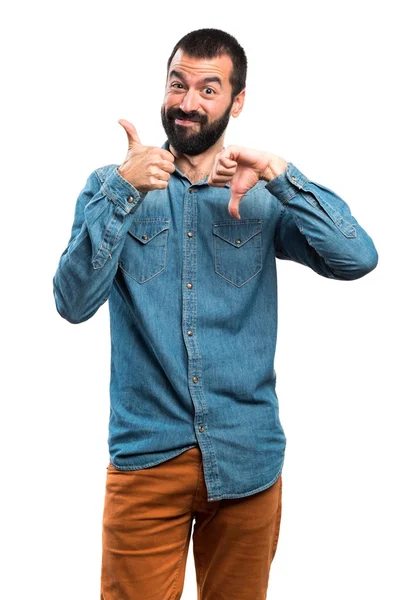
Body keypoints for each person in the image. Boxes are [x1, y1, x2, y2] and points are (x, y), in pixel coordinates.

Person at [53, 27, 378, 600]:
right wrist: (124, 194)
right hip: (147, 458)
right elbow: (72, 302)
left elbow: (357, 258)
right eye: (178, 84)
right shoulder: (113, 188)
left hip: (247, 455)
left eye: (208, 89)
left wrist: (282, 174)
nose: (187, 102)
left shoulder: (259, 197)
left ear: (237, 101)